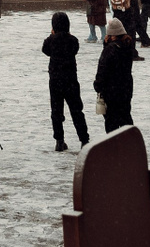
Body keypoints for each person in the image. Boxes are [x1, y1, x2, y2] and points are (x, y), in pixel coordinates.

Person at [43, 11, 90, 152]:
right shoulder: (73, 40)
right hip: (70, 79)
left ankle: (59, 140)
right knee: (76, 110)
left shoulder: (51, 41)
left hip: (55, 80)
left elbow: (45, 50)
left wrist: (52, 35)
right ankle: (84, 139)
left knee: (56, 111)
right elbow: (75, 50)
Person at [94, 18, 138, 132]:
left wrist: (98, 86)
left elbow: (102, 69)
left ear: (111, 35)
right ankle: (129, 140)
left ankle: (115, 141)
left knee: (111, 120)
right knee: (125, 116)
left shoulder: (110, 50)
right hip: (126, 88)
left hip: (111, 90)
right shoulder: (127, 46)